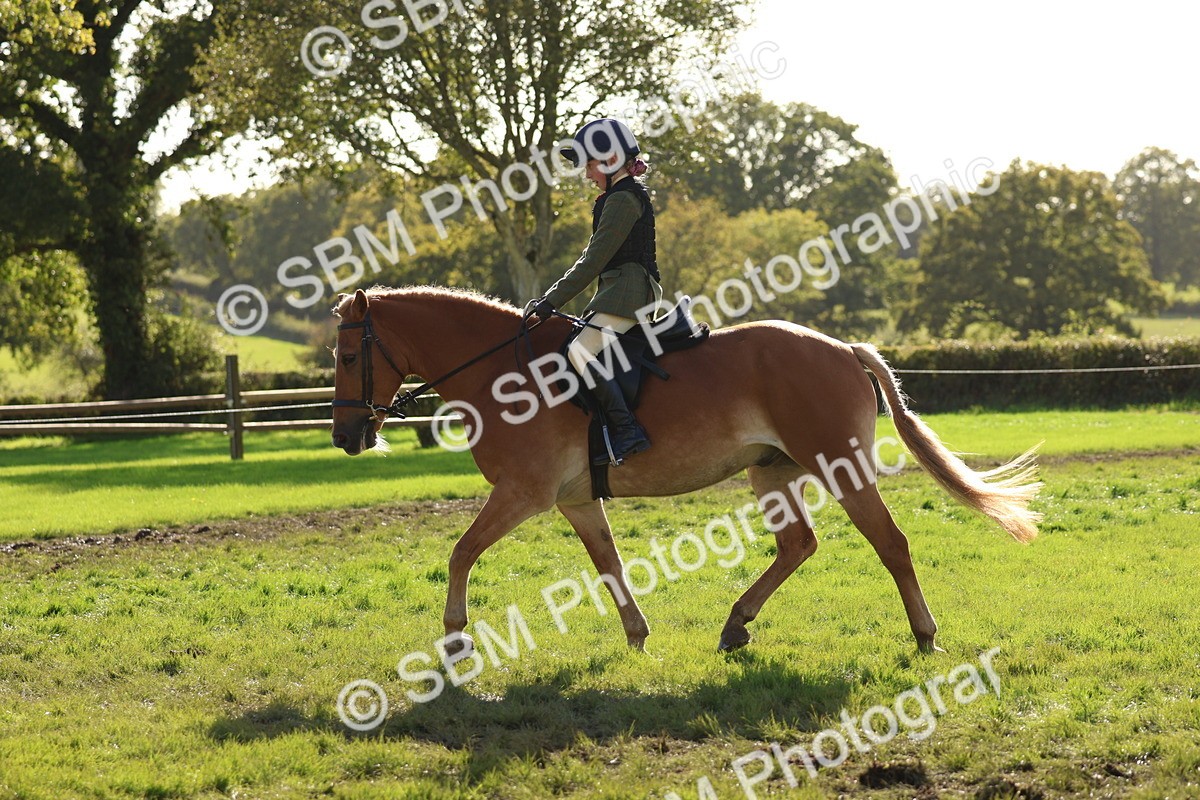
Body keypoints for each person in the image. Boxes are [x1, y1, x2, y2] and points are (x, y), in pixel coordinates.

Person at [532, 118, 664, 466]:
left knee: (580, 353)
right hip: (620, 292)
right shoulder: (618, 196)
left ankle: (627, 430)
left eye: (590, 165)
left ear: (608, 161)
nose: (588, 174)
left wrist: (551, 301)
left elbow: (593, 260)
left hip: (629, 293)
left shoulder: (622, 200)